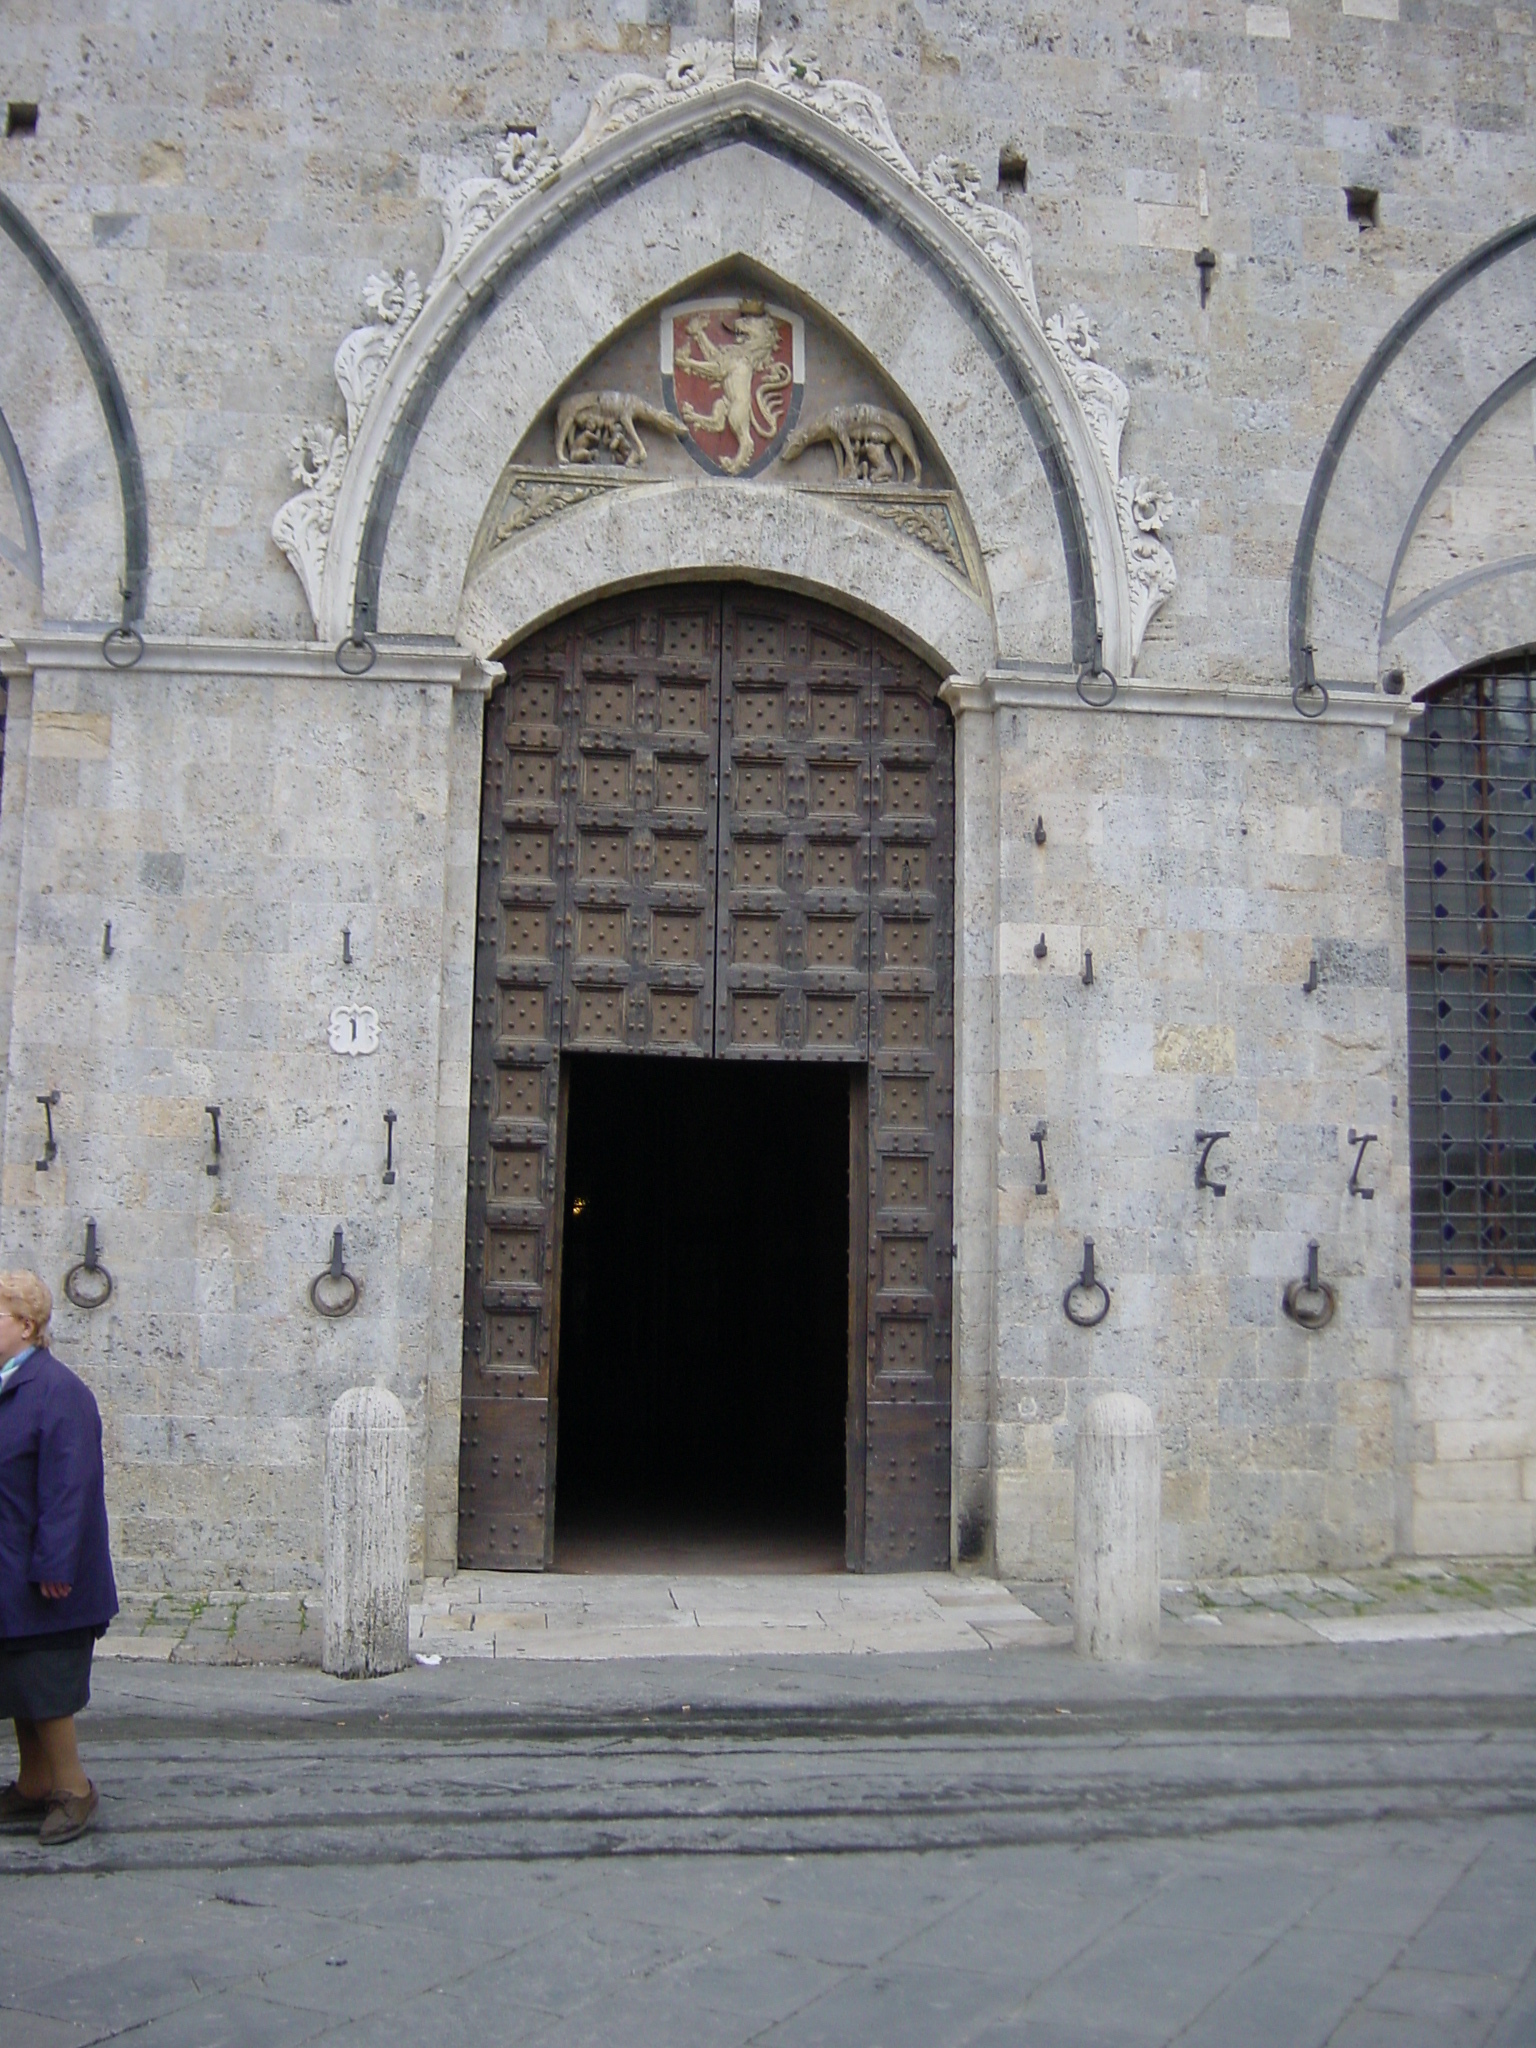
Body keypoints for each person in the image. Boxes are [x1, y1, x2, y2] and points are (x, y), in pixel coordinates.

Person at [0, 1270, 117, 1842]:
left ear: (26, 1325)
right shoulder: (10, 1384)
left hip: (47, 1577)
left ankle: (73, 1788)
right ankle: (34, 1783)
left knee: (45, 1683)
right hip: (10, 1566)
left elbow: (70, 1488)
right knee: (18, 1679)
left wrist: (53, 1565)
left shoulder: (59, 1391)